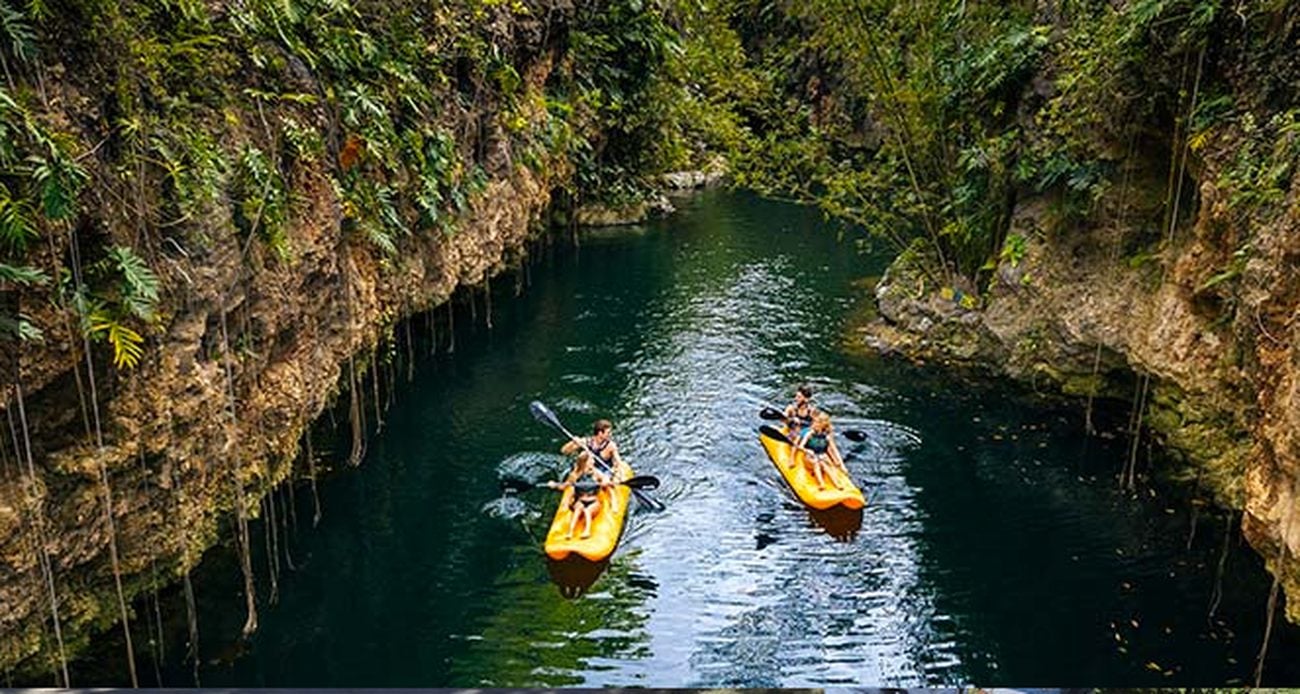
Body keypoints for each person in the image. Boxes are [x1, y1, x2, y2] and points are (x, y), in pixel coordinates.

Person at [547, 452, 615, 539]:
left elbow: (605, 478)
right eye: (591, 460)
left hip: (593, 502)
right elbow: (564, 486)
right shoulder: (575, 475)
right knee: (577, 510)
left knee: (587, 511)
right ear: (585, 462)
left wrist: (606, 481)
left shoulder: (596, 473)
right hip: (580, 500)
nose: (593, 462)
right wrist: (554, 484)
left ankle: (587, 531)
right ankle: (570, 531)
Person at [561, 419, 623, 512]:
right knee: (576, 472)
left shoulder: (611, 446)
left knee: (605, 482)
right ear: (600, 433)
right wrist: (573, 443)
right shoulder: (585, 442)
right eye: (608, 433)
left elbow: (617, 462)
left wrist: (617, 473)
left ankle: (613, 500)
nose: (610, 435)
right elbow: (564, 451)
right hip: (587, 468)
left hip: (603, 470)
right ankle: (569, 499)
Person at [797, 413, 848, 491]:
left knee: (824, 464)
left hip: (821, 456)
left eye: (818, 423)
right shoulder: (809, 434)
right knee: (816, 462)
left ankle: (836, 483)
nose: (815, 425)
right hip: (809, 457)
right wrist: (807, 450)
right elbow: (800, 447)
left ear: (822, 425)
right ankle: (821, 483)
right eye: (815, 422)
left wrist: (842, 466)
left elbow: (834, 450)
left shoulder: (826, 436)